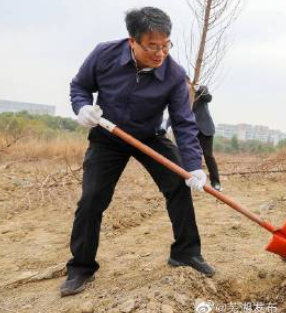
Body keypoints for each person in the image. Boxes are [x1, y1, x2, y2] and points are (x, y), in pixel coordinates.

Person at [61, 7, 215, 297]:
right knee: (92, 199)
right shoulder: (104, 55)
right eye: (152, 46)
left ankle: (185, 253)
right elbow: (79, 86)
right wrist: (81, 107)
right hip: (109, 134)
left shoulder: (174, 75)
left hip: (149, 136)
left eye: (166, 45)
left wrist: (194, 166)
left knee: (179, 185)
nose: (160, 53)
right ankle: (81, 267)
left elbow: (183, 122)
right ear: (133, 41)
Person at [189, 81, 223, 192]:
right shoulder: (185, 93)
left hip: (206, 129)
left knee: (208, 156)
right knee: (192, 156)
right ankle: (194, 182)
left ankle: (216, 182)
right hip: (191, 130)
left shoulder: (202, 89)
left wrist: (198, 89)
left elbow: (209, 98)